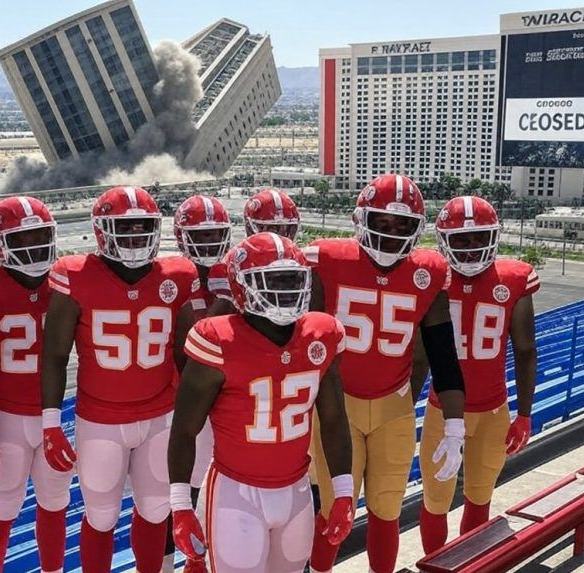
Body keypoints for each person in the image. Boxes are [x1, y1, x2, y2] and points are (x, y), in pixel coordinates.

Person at [305, 174, 466, 573]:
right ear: (362, 220)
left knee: (387, 508)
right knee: (332, 510)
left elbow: (442, 352)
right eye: (382, 222)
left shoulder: (428, 271)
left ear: (417, 229)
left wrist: (456, 423)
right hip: (336, 409)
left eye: (403, 226)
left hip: (393, 408)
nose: (392, 233)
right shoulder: (327, 260)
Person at [169, 232, 355, 573]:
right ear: (243, 286)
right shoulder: (218, 339)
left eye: (292, 280)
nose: (285, 291)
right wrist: (180, 504)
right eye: (273, 281)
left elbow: (333, 419)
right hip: (235, 491)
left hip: (297, 489)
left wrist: (343, 490)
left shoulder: (322, 333)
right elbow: (183, 429)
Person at [40, 186, 200, 573]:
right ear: (102, 231)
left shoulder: (178, 274)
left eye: (142, 228)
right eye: (124, 228)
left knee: (155, 509)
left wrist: (193, 414)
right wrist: (50, 421)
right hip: (100, 419)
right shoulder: (74, 275)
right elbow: (56, 354)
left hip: (160, 414)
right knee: (100, 516)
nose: (134, 238)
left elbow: (185, 352)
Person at [0, 196, 74, 573]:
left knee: (56, 504)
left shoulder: (65, 281)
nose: (34, 246)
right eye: (23, 239)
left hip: (52, 415)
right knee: (2, 508)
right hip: (5, 417)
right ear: (0, 244)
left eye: (40, 235)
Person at [417, 196, 539, 552]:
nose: (470, 248)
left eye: (477, 238)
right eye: (460, 240)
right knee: (437, 500)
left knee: (475, 497)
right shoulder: (434, 278)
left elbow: (526, 351)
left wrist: (525, 415)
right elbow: (526, 351)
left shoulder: (514, 278)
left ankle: (467, 563)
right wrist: (525, 414)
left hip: (488, 409)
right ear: (444, 240)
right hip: (447, 408)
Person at [171, 193, 233, 571]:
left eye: (215, 235)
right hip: (187, 406)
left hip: (231, 406)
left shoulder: (240, 271)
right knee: (183, 498)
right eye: (201, 235)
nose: (209, 244)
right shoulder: (174, 278)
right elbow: (182, 354)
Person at [208, 188, 300, 316]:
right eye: (268, 228)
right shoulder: (231, 262)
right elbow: (219, 320)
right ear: (250, 226)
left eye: (284, 228)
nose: (277, 235)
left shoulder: (298, 258)